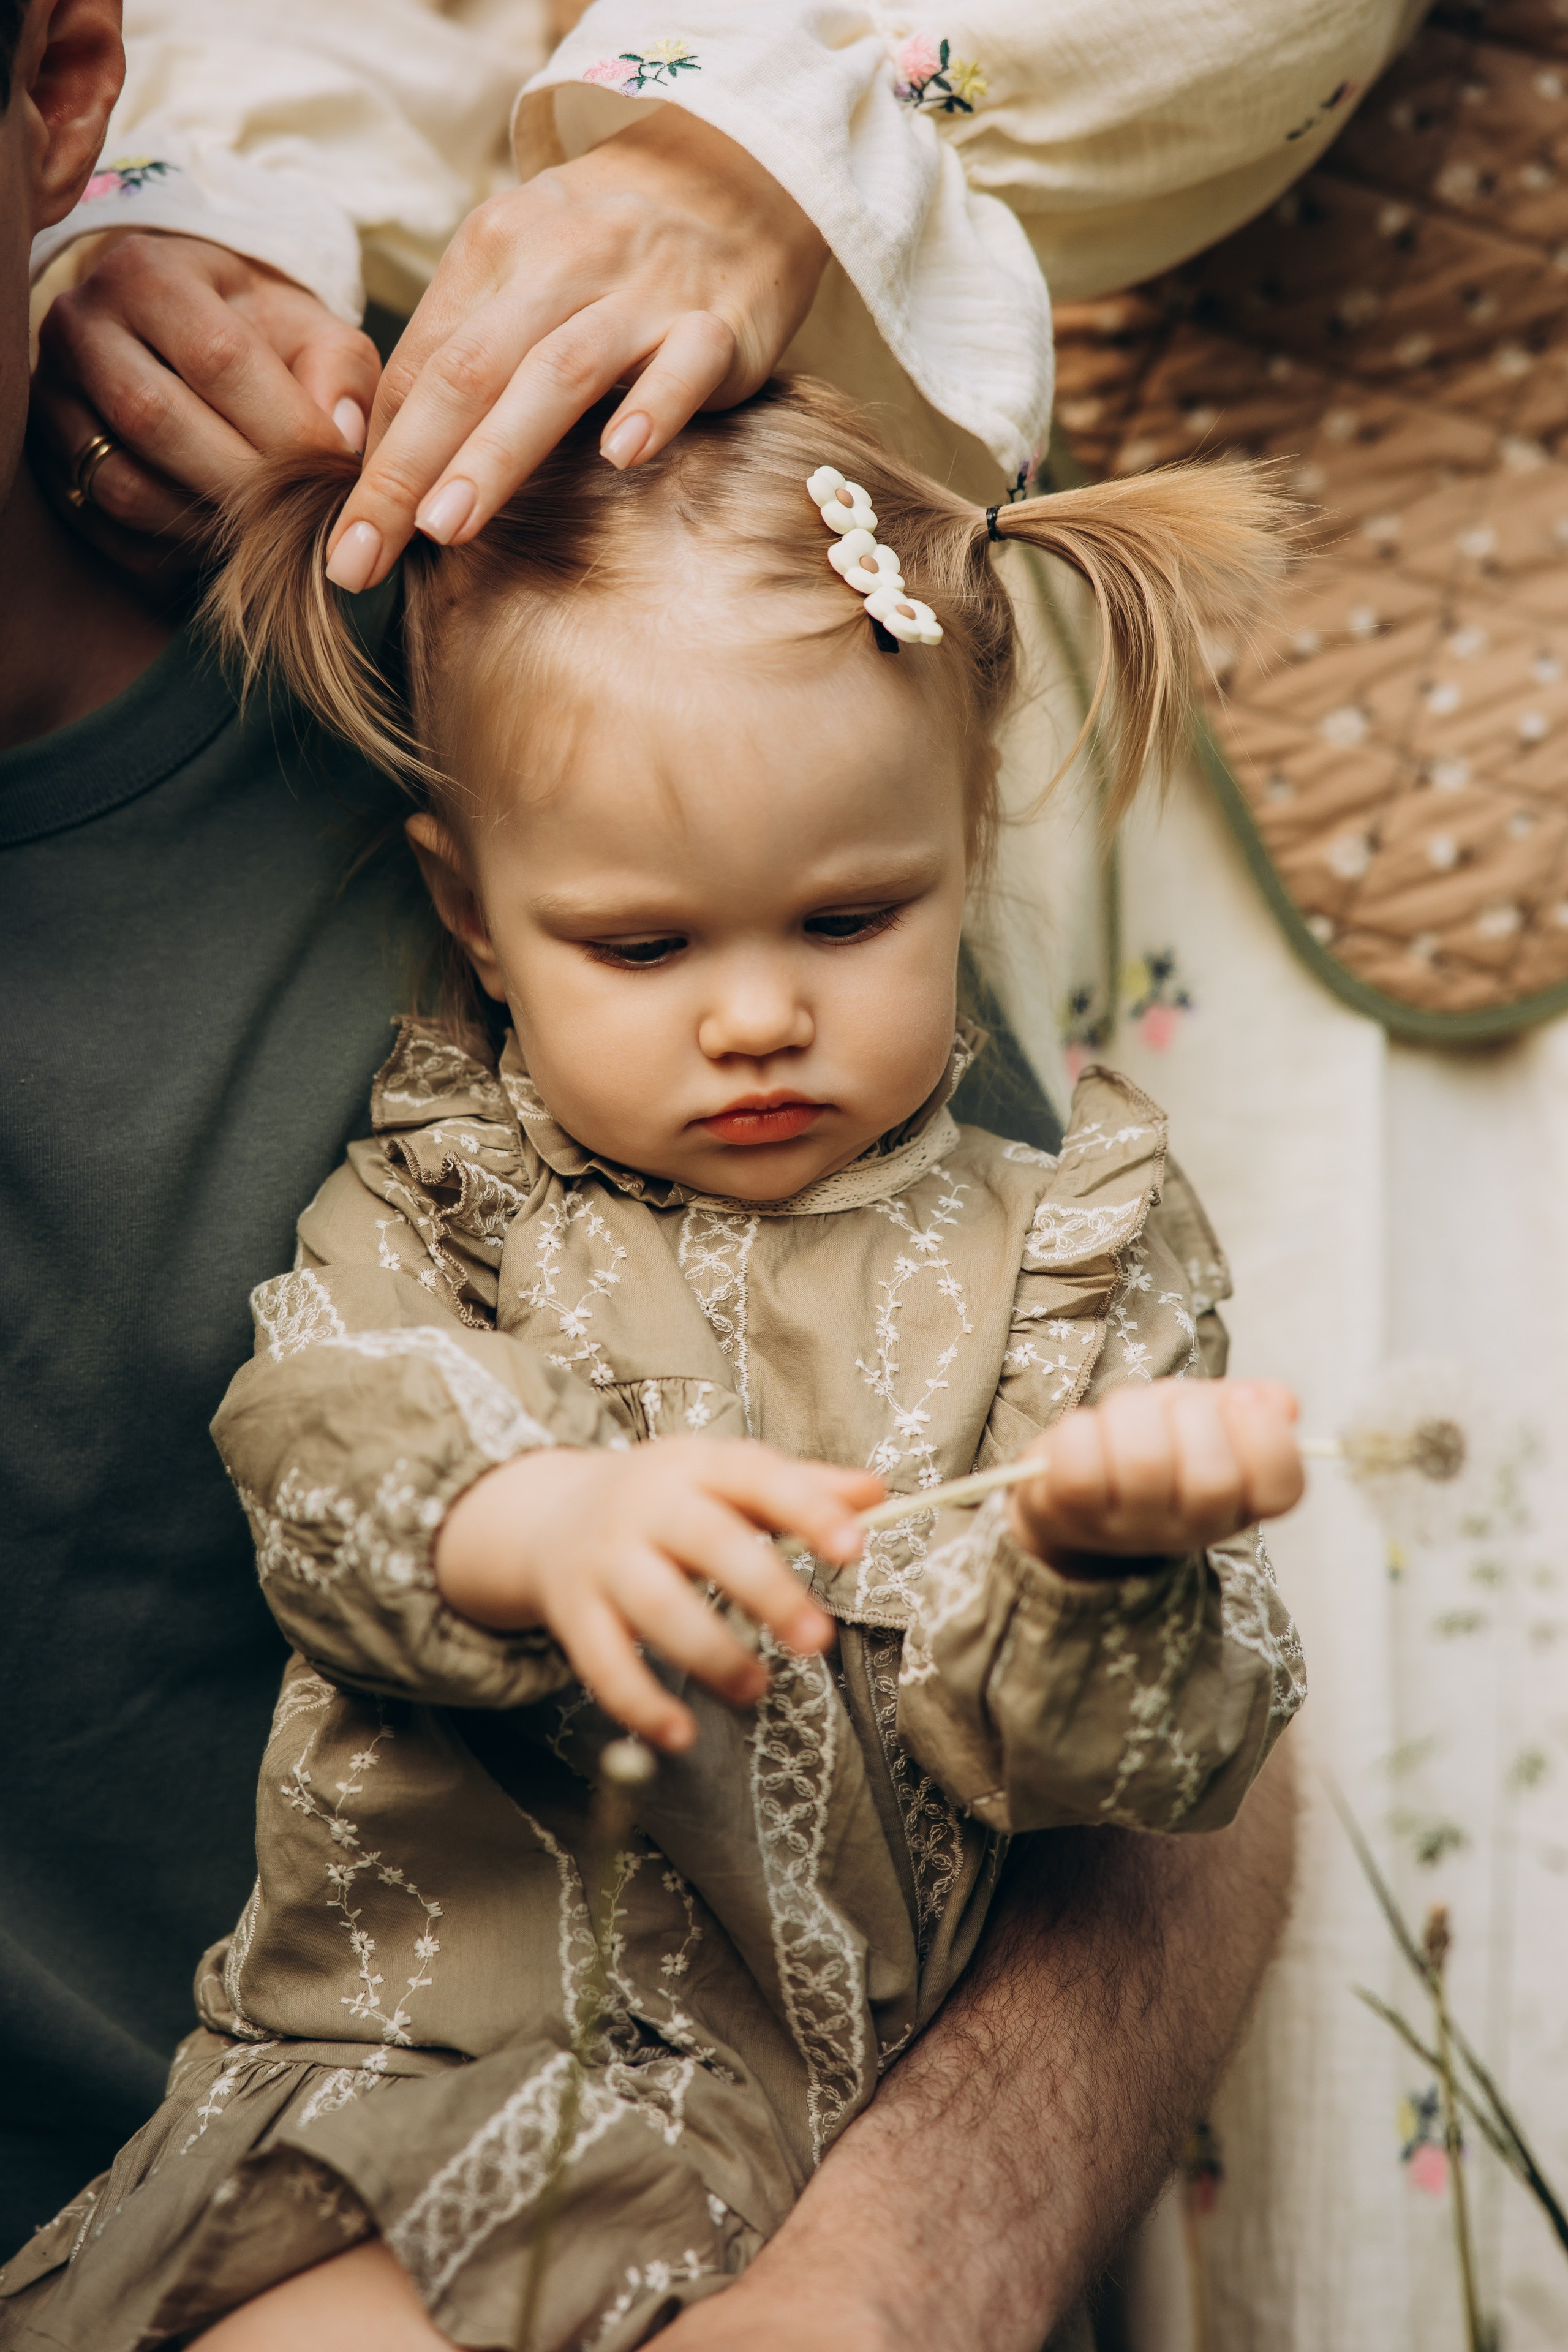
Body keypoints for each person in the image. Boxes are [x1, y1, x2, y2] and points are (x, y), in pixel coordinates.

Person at [6, 7, 1303, 2349]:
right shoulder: (455, 1183)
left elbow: (1135, 1781)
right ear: (472, 920)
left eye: (846, 917)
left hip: (771, 2168)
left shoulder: (1036, 1231)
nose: (754, 1017)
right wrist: (536, 1521)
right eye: (645, 940)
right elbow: (335, 1424)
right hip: (375, 2112)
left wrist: (1114, 1555)